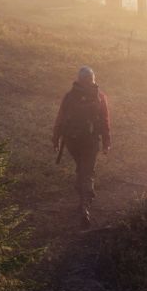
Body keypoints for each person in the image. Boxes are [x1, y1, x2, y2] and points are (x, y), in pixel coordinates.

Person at [52, 66, 111, 227]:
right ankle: (85, 203)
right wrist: (106, 142)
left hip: (71, 141)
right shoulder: (100, 97)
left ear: (78, 79)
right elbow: (105, 121)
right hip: (91, 141)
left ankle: (83, 197)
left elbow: (61, 118)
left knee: (82, 168)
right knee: (87, 171)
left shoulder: (70, 96)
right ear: (93, 79)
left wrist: (55, 138)